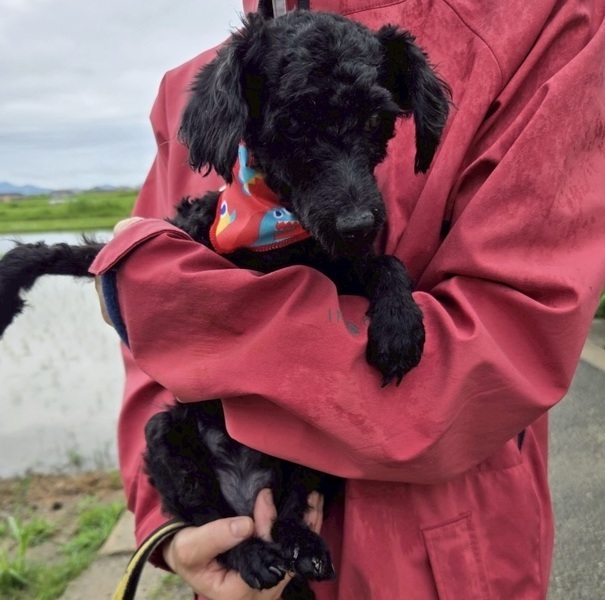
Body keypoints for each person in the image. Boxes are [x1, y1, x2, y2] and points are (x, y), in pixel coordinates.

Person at [92, 0, 605, 598]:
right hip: (246, 566)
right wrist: (176, 531)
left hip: (443, 570)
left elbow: (504, 354)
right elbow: (148, 362)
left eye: (372, 128)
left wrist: (168, 309)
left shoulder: (536, 23)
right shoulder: (202, 86)